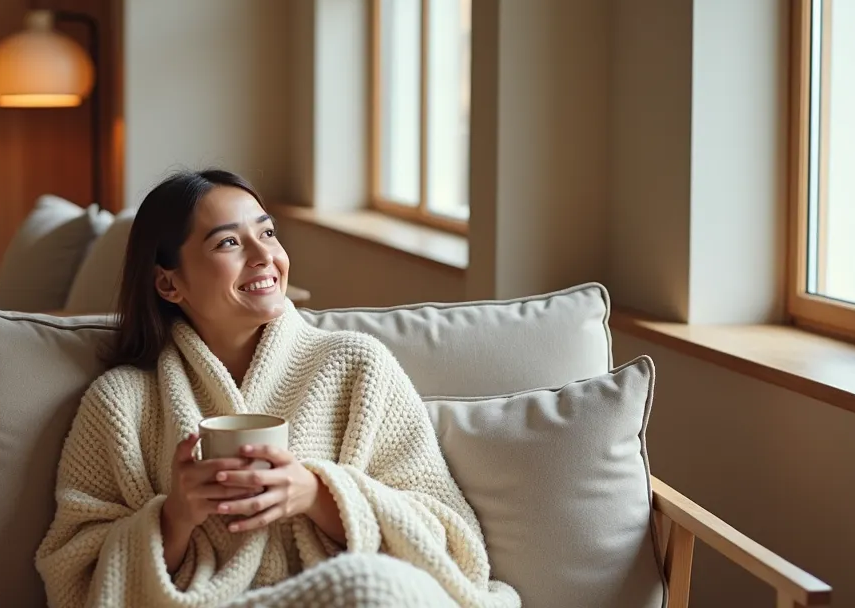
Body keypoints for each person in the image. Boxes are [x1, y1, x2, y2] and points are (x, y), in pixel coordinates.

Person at [35, 170, 519, 608]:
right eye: (228, 243)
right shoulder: (120, 402)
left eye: (267, 233)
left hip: (355, 598)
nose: (265, 255)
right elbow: (74, 575)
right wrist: (174, 518)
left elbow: (454, 542)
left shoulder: (358, 367)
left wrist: (317, 494)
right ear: (168, 284)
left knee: (367, 588)